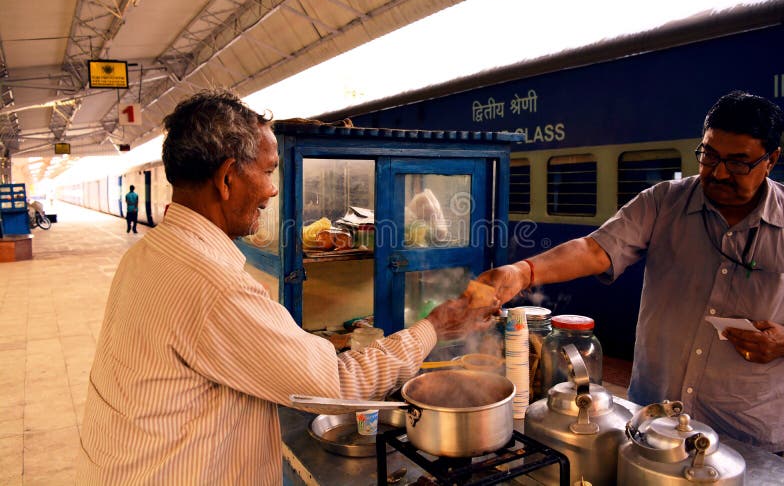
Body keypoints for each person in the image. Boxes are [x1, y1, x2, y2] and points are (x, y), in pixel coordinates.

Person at [76, 89, 499, 484]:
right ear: (227, 179)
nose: (273, 189)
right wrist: (434, 327)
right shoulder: (213, 286)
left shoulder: (149, 254)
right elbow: (335, 386)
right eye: (267, 172)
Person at [477, 90, 784, 453]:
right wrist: (523, 271)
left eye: (738, 162)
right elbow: (596, 249)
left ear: (771, 159)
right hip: (653, 422)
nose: (719, 173)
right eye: (709, 156)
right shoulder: (664, 201)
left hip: (747, 431)